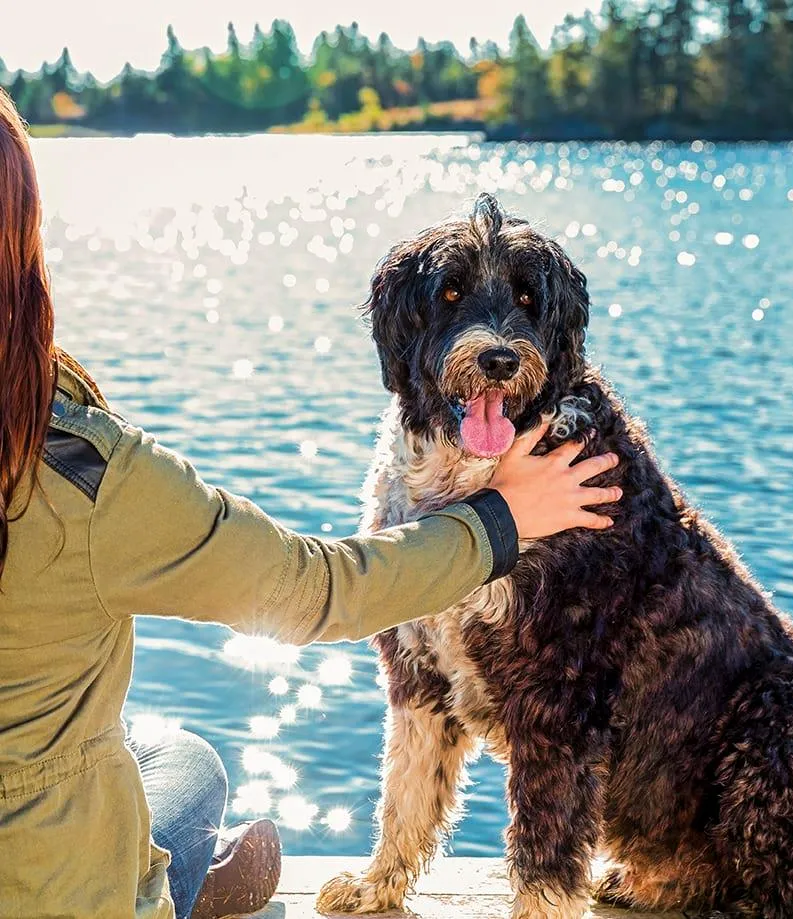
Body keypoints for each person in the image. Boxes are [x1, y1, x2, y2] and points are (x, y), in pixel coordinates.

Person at [0, 88, 622, 919]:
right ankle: (180, 883)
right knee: (188, 763)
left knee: (156, 750)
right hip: (43, 890)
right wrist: (502, 519)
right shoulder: (79, 469)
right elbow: (309, 589)